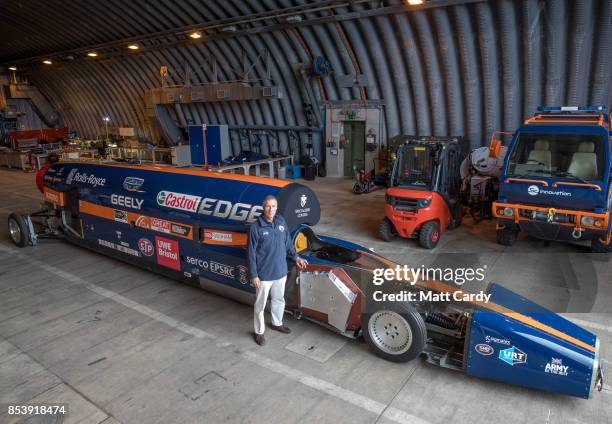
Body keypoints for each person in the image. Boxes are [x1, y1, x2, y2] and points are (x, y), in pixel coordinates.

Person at [247, 195, 308, 346]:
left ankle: (276, 323)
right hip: (263, 276)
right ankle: (259, 332)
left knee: (279, 300)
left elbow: (287, 242)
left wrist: (296, 257)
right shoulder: (256, 228)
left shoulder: (280, 221)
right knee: (260, 306)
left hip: (280, 272)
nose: (271, 209)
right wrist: (254, 275)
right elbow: (251, 253)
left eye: (273, 206)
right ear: (263, 207)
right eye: (268, 206)